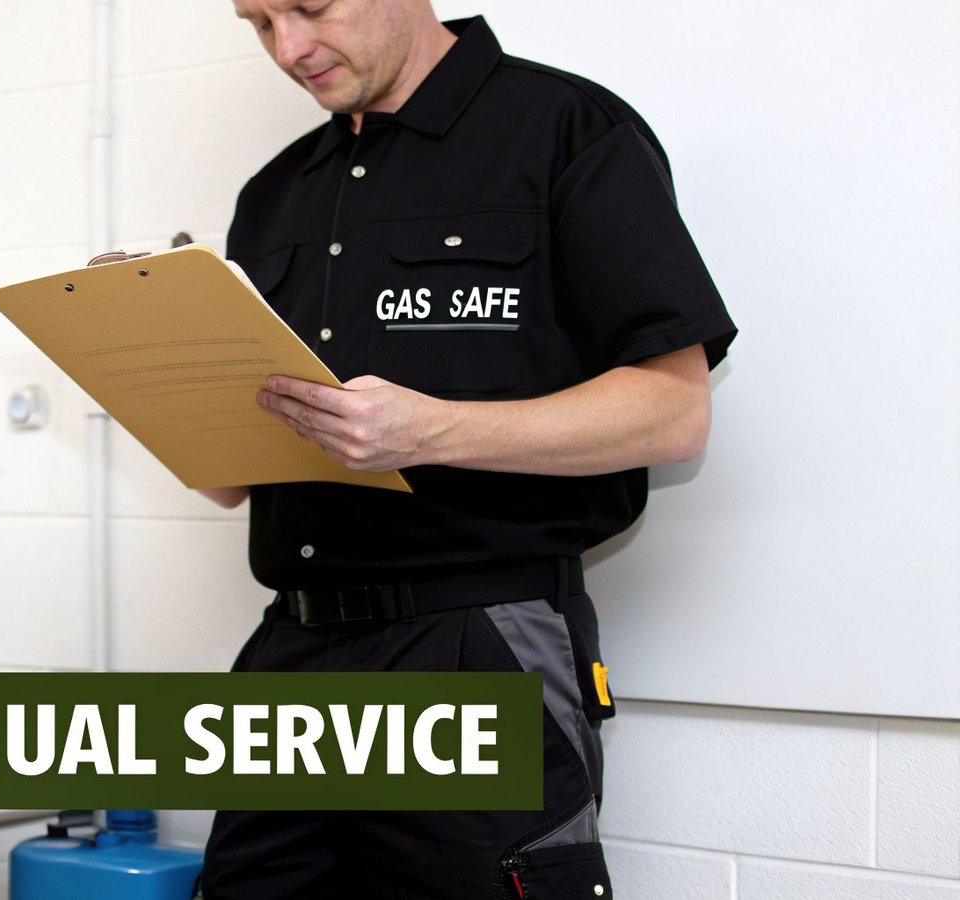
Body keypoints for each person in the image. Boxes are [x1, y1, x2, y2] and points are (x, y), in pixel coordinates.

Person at [198, 1, 737, 897]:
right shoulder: (274, 192)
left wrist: (430, 430)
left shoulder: (564, 129)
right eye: (259, 22)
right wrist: (155, 349)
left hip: (474, 641)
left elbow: (672, 413)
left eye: (309, 7)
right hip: (291, 652)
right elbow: (227, 482)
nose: (289, 49)